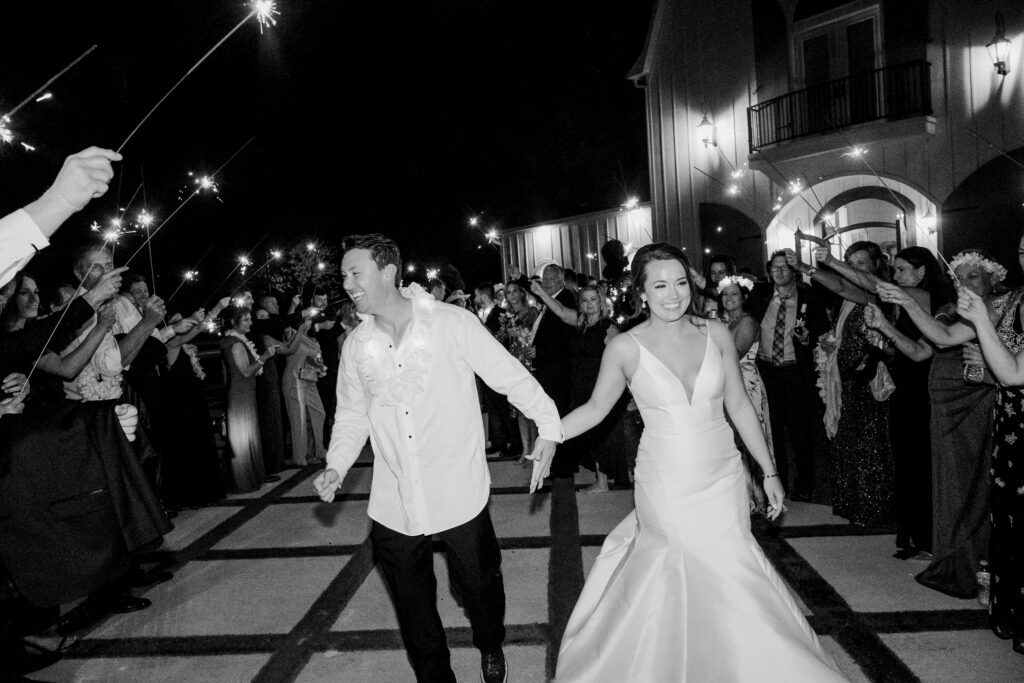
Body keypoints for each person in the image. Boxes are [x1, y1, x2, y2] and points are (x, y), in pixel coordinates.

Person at [553, 243, 846, 681]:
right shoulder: (625, 347)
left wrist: (768, 471)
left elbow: (741, 407)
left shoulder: (717, 332)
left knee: (731, 563)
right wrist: (549, 434)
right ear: (641, 292)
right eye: (659, 285)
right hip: (665, 477)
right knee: (675, 563)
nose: (672, 294)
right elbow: (596, 409)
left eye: (679, 283)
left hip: (722, 470)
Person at [313, 233, 562, 683]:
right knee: (413, 607)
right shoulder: (355, 345)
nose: (347, 283)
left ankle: (490, 643)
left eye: (355, 273)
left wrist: (548, 426)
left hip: (457, 489)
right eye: (344, 274)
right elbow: (351, 416)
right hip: (393, 502)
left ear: (388, 272)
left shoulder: (452, 323)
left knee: (480, 587)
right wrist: (336, 465)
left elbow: (509, 376)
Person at [877, 249, 1013, 598]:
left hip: (985, 403)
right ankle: (965, 562)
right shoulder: (972, 310)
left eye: (973, 277)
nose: (964, 284)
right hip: (959, 404)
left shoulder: (999, 307)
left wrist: (987, 365)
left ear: (993, 279)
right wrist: (901, 309)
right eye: (959, 277)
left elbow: (1010, 368)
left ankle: (988, 569)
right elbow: (938, 339)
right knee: (960, 486)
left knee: (985, 490)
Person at [790, 243, 895, 527]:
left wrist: (812, 267)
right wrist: (827, 343)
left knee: (869, 446)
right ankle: (854, 504)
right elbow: (841, 326)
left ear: (877, 265)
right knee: (847, 444)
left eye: (860, 263)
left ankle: (874, 508)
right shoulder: (846, 300)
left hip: (868, 379)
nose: (855, 268)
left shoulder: (877, 292)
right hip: (846, 378)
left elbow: (839, 285)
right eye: (850, 262)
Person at [858, 247, 952, 558]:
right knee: (905, 464)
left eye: (901, 270)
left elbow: (919, 353)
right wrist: (883, 342)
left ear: (922, 272)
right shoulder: (908, 306)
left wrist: (885, 328)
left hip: (926, 395)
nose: (895, 277)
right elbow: (899, 352)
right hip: (904, 391)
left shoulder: (937, 305)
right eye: (894, 270)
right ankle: (911, 534)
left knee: (922, 466)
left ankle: (927, 537)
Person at [956, 279, 1024, 656]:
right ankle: (1012, 612)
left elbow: (1013, 374)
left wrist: (982, 321)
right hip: (1013, 423)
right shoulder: (1012, 301)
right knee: (1011, 517)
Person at [748, 250, 829, 500]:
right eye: (774, 268)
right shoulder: (759, 296)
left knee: (801, 432)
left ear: (794, 270)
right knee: (771, 431)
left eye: (784, 267)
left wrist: (808, 338)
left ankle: (805, 484)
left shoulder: (809, 297)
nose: (779, 272)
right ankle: (777, 482)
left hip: (795, 371)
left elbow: (825, 334)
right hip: (766, 371)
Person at [0, 147, 121, 287]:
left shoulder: (124, 304)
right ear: (79, 274)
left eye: (108, 265)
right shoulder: (73, 306)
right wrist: (60, 201)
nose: (105, 274)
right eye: (95, 267)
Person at [718, 273, 772, 512]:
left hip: (745, 384)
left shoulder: (747, 322)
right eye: (725, 294)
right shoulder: (724, 322)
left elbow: (735, 353)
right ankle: (740, 495)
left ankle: (757, 498)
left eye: (734, 294)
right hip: (727, 383)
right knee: (731, 441)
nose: (729, 298)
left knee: (748, 438)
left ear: (744, 297)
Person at [220, 306, 278, 492]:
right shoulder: (235, 343)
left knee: (247, 435)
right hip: (240, 394)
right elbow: (245, 371)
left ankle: (253, 476)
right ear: (233, 323)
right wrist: (265, 357)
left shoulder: (233, 340)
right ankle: (243, 480)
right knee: (243, 437)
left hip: (242, 392)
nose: (250, 322)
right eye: (245, 319)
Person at [282, 318, 328, 465]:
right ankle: (300, 457)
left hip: (309, 377)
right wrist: (294, 306)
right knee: (299, 418)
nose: (308, 323)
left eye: (310, 320)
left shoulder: (312, 339)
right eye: (306, 319)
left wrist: (319, 366)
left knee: (319, 412)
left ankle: (318, 450)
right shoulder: (292, 334)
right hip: (294, 376)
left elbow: (316, 358)